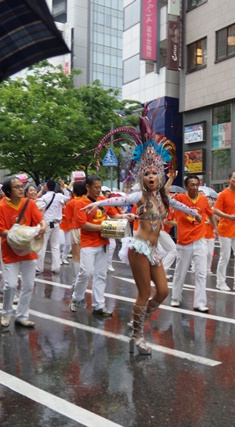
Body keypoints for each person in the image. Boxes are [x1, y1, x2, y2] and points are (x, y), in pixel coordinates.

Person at [80, 138, 200, 355]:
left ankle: (137, 321)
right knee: (144, 293)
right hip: (139, 248)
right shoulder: (140, 196)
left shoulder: (164, 197)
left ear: (159, 176)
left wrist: (195, 213)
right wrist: (98, 203)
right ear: (142, 178)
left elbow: (180, 205)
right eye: (146, 174)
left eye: (154, 173)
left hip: (154, 250)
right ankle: (137, 335)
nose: (151, 177)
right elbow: (120, 199)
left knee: (163, 291)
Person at [0, 176, 46, 328]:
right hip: (10, 251)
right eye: (16, 187)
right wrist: (19, 234)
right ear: (8, 191)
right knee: (10, 285)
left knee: (28, 285)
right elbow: (0, 231)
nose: (21, 189)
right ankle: (6, 313)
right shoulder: (1, 207)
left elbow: (40, 220)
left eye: (21, 186)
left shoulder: (29, 203)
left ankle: (22, 315)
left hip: (29, 250)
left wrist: (42, 227)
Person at [68, 175, 117, 317]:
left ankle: (98, 306)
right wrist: (104, 227)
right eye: (96, 187)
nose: (98, 190)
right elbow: (84, 224)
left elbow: (114, 216)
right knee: (86, 272)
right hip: (88, 243)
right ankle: (76, 298)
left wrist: (127, 217)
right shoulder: (80, 203)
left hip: (104, 243)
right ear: (87, 187)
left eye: (100, 187)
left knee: (101, 275)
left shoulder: (103, 201)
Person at [170, 175, 215, 312]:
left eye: (196, 184)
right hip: (184, 242)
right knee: (180, 272)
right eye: (192, 185)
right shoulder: (179, 199)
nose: (195, 187)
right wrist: (170, 179)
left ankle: (199, 303)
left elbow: (211, 214)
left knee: (201, 273)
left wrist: (216, 229)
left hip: (200, 240)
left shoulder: (203, 199)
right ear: (186, 186)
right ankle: (176, 297)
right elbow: (165, 198)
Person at [36, 179, 70, 274]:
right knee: (55, 246)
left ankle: (39, 268)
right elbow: (68, 198)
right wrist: (64, 187)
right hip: (57, 224)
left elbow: (38, 207)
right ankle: (56, 267)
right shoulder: (59, 196)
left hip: (46, 224)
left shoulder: (44, 197)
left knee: (42, 246)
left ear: (46, 187)